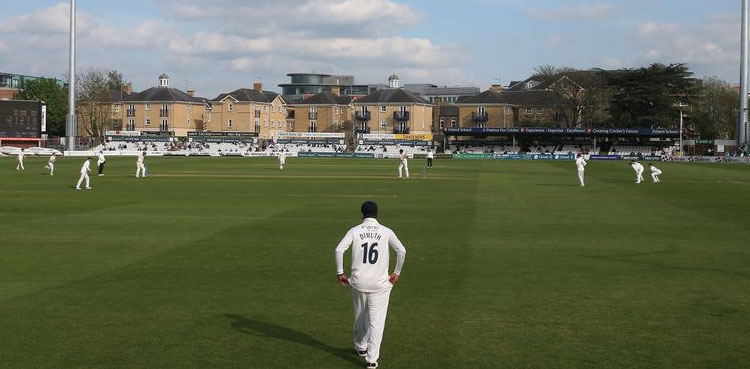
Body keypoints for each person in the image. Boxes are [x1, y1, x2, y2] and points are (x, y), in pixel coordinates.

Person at [335, 201, 407, 369]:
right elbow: (402, 251)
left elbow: (339, 250)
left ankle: (361, 347)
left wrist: (340, 272)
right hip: (379, 285)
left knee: (360, 314)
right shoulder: (386, 231)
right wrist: (397, 272)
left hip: (358, 283)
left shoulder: (355, 231)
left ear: (362, 214)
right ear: (377, 213)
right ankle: (371, 360)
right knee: (376, 322)